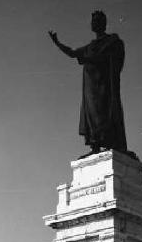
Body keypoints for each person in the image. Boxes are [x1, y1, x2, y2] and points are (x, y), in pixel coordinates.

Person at [48, 10, 127, 156]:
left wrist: (93, 60)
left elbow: (115, 60)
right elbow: (72, 53)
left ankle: (111, 143)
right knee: (92, 116)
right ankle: (95, 146)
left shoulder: (112, 41)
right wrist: (57, 43)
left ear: (103, 23)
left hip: (105, 87)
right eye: (92, 21)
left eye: (96, 20)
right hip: (91, 90)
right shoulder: (90, 47)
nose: (93, 23)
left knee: (106, 113)